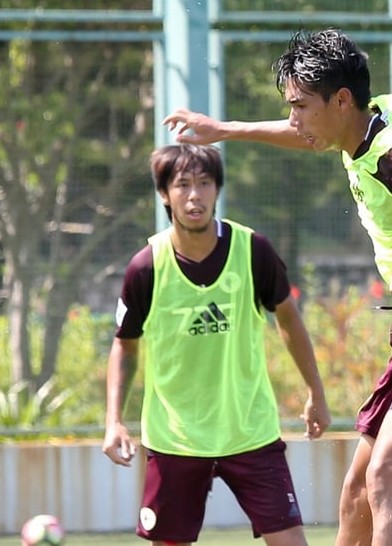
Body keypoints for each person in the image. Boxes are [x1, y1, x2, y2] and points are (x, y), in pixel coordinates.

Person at [161, 28, 392, 546]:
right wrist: (223, 129)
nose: (294, 119)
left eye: (300, 106)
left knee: (387, 473)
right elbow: (303, 135)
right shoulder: (360, 130)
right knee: (357, 491)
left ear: (342, 100)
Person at [101, 143, 331, 546]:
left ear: (218, 190)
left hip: (249, 430)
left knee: (291, 541)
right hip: (176, 437)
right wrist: (114, 421)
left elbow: (289, 319)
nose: (195, 195)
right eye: (183, 184)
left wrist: (316, 392)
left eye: (205, 183)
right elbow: (126, 345)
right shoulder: (146, 267)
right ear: (164, 194)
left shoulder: (253, 250)